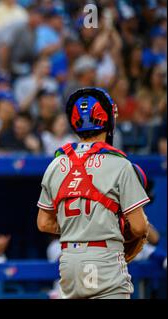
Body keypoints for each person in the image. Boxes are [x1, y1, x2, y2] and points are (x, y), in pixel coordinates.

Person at [37, 87, 150, 299]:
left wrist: (81, 226)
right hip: (104, 257)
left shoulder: (56, 163)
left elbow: (44, 223)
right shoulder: (119, 164)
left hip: (69, 259)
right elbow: (139, 226)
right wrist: (98, 225)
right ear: (108, 120)